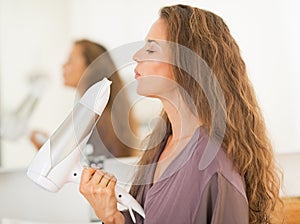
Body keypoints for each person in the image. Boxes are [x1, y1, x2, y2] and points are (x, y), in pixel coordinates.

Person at [79, 4, 281, 224]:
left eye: (151, 49)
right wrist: (112, 217)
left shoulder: (214, 168)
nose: (136, 56)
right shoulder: (163, 144)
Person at [30, 39, 137, 158]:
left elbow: (84, 165)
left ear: (90, 67)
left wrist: (48, 154)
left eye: (70, 60)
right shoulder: (95, 114)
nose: (63, 65)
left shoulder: (96, 119)